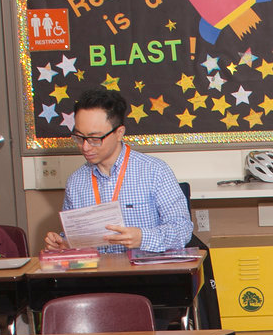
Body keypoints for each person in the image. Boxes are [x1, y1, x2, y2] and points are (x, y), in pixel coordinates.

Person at [44, 87, 193, 253]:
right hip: (95, 275)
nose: (85, 146)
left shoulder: (154, 171)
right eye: (79, 137)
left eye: (94, 139)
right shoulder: (76, 181)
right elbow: (73, 238)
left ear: (119, 133)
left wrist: (142, 238)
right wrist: (63, 243)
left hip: (146, 274)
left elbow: (183, 229)